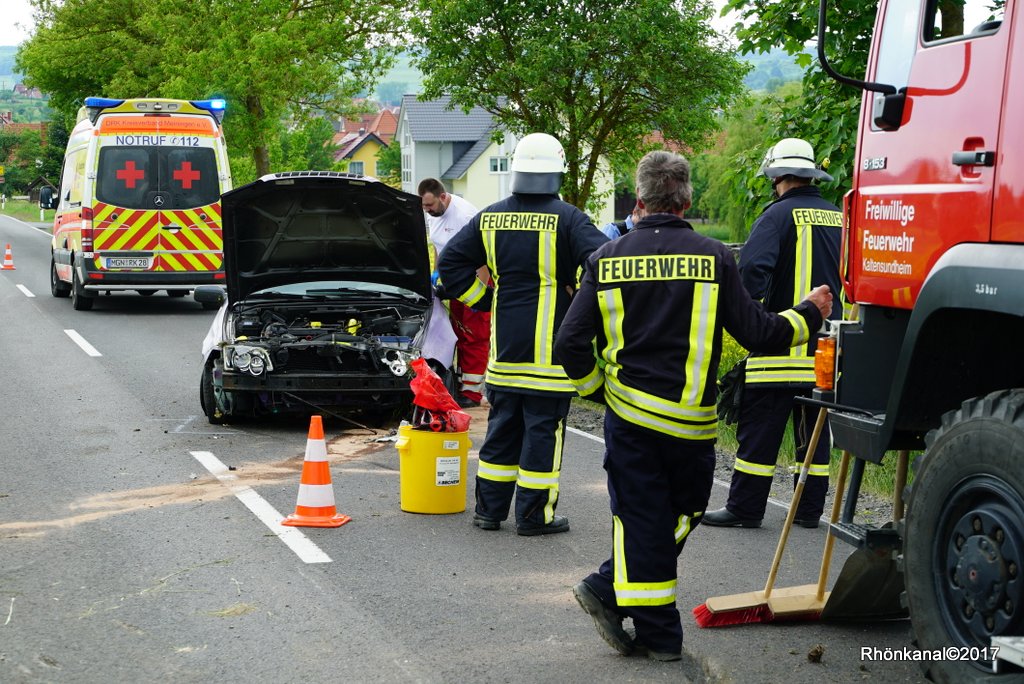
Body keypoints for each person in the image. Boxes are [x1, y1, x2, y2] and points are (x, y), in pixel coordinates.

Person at [554, 150, 832, 660]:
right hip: (692, 430)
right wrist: (809, 314)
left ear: (639, 200)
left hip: (631, 422)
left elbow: (568, 344)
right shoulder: (715, 256)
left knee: (646, 522)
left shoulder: (606, 259)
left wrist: (597, 391)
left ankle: (609, 587)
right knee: (676, 516)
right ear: (686, 199)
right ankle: (661, 637)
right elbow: (761, 334)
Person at [438, 132, 609, 536]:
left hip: (504, 357)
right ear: (558, 173)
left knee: (501, 433)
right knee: (541, 438)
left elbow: (450, 263)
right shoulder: (569, 219)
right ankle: (534, 517)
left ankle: (488, 512)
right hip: (550, 359)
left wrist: (483, 300)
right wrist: (582, 298)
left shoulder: (490, 216)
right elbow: (605, 262)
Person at [703, 137, 843, 530]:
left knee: (759, 433)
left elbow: (750, 276)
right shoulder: (838, 216)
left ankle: (745, 509)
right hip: (825, 353)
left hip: (780, 348)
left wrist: (755, 318)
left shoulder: (775, 217)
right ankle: (808, 511)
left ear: (777, 176)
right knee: (813, 438)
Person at [417, 178, 490, 408]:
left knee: (474, 337)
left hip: (476, 281)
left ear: (443, 196)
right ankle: (459, 386)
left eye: (429, 205)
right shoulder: (433, 214)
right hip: (456, 283)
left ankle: (472, 392)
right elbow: (439, 247)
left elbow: (483, 259)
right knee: (456, 334)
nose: (426, 210)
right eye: (424, 206)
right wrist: (436, 273)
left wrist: (479, 297)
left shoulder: (464, 217)